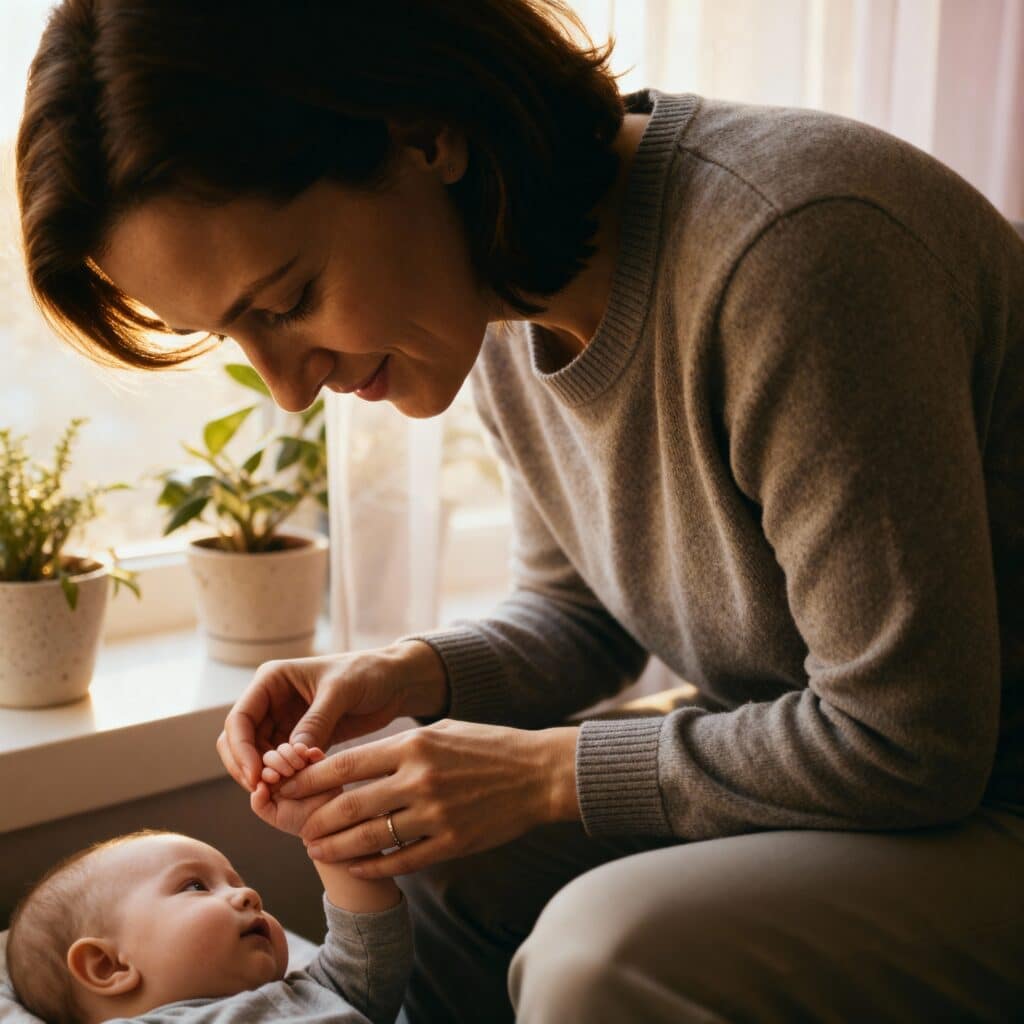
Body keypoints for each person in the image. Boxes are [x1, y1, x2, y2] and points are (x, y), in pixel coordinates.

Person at [16, 1, 1023, 1021]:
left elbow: (907, 745)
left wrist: (546, 773)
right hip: (876, 788)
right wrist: (409, 673)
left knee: (600, 959)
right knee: (411, 856)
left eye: (285, 299)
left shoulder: (794, 250)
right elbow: (583, 616)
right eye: (235, 334)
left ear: (422, 132)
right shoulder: (497, 296)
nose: (284, 385)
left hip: (986, 794)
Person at [5, 744, 412, 1024]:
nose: (248, 895)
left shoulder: (315, 995)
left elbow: (371, 946)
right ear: (109, 965)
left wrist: (324, 823)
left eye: (236, 882)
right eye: (196, 887)